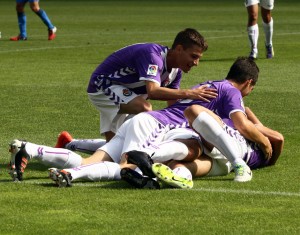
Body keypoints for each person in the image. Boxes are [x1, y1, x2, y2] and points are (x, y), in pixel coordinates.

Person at [9, 57, 266, 186]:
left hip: (140, 123)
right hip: (151, 125)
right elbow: (241, 125)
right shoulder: (230, 92)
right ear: (248, 83)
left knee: (96, 160)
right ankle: (70, 174)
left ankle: (32, 149)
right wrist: (264, 140)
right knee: (128, 168)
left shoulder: (207, 87)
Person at [86, 28, 217, 142]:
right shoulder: (153, 56)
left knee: (113, 147)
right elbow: (153, 91)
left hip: (125, 90)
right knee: (144, 108)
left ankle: (71, 144)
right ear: (179, 49)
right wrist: (190, 93)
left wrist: (188, 124)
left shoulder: (176, 72)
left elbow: (173, 104)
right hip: (102, 84)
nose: (196, 62)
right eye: (193, 56)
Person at [152, 107, 284, 188]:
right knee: (180, 164)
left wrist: (258, 130)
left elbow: (278, 138)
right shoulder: (256, 143)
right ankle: (182, 177)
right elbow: (247, 111)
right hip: (224, 165)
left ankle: (145, 160)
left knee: (194, 111)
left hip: (228, 150)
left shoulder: (259, 149)